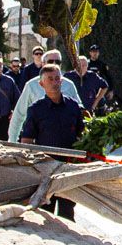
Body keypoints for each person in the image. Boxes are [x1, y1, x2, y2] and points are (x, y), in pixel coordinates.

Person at [19, 65, 86, 217]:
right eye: (50, 79)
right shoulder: (36, 109)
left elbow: (81, 135)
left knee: (67, 213)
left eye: (57, 79)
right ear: (41, 84)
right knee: (45, 214)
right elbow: (27, 141)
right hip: (46, 170)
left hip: (68, 169)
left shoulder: (73, 106)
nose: (54, 83)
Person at [8, 50, 80, 142]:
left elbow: (79, 111)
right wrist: (13, 141)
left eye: (57, 62)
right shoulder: (31, 85)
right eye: (50, 61)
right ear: (43, 64)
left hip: (66, 142)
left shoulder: (69, 85)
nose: (54, 64)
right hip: (42, 142)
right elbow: (19, 115)